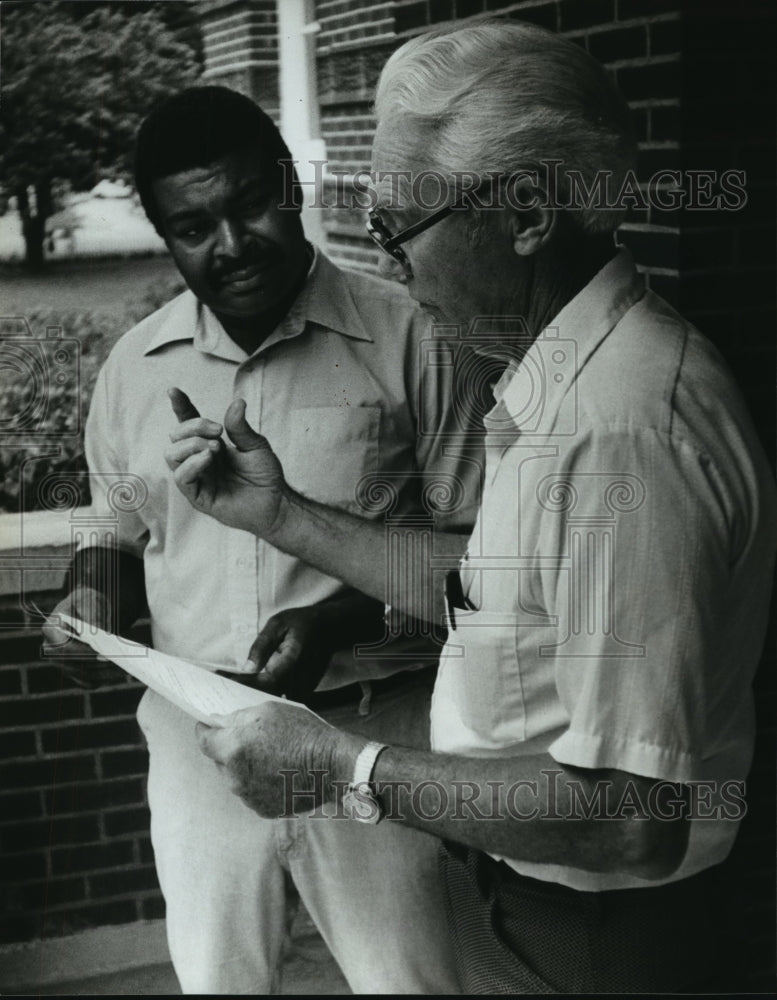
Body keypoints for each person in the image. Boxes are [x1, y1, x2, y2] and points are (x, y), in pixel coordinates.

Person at [164, 22, 777, 994]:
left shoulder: (618, 431)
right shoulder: (571, 387)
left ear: (526, 211)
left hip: (592, 934)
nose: (395, 271)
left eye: (396, 231)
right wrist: (279, 517)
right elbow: (494, 595)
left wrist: (345, 765)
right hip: (540, 906)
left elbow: (628, 817)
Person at [43, 85, 482, 994]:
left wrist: (337, 625)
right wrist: (92, 599)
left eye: (249, 206)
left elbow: (478, 564)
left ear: (291, 189)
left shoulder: (411, 341)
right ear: (167, 235)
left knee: (412, 983)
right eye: (194, 226)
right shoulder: (134, 366)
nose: (231, 244)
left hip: (372, 735)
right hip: (194, 741)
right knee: (217, 982)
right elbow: (114, 532)